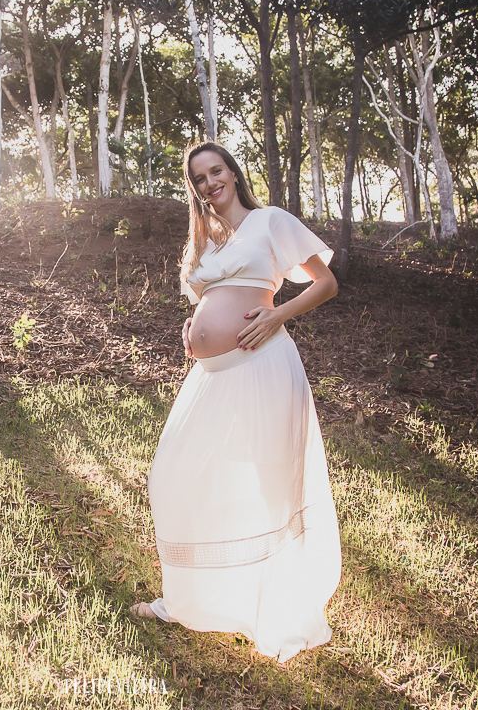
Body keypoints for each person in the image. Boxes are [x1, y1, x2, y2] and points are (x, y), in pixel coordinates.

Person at [132, 141, 342, 664]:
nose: (209, 183)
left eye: (216, 171)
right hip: (212, 375)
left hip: (263, 365)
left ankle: (274, 606)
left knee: (268, 484)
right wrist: (194, 323)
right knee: (174, 474)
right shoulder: (208, 241)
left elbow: (327, 283)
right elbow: (210, 301)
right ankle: (185, 599)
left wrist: (278, 314)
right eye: (199, 177)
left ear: (233, 173)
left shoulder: (269, 221)